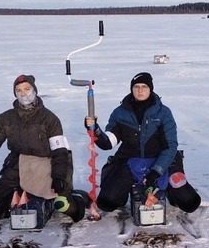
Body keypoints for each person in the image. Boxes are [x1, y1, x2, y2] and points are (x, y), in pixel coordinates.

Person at [0, 74, 87, 225]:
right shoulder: (6, 118)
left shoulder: (50, 119)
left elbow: (59, 151)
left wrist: (59, 177)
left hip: (47, 164)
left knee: (65, 206)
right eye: (18, 90)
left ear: (34, 91)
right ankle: (15, 198)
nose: (23, 93)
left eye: (27, 89)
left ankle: (77, 198)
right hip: (18, 164)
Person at [84, 72, 201, 214]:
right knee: (107, 202)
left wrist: (155, 172)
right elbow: (108, 142)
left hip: (163, 162)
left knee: (190, 203)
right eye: (136, 87)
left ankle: (172, 195)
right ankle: (122, 196)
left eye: (144, 87)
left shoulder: (163, 113)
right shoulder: (120, 113)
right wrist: (95, 129)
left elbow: (170, 147)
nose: (140, 90)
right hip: (130, 160)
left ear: (150, 89)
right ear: (131, 89)